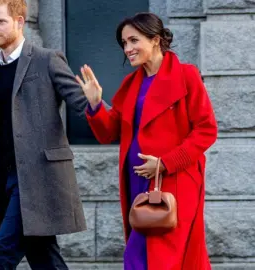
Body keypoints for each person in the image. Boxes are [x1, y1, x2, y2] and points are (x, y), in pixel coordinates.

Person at [75, 12, 217, 270]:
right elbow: (108, 132)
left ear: (155, 40)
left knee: (162, 260)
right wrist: (95, 104)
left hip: (175, 182)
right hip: (138, 183)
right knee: (139, 258)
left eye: (133, 40)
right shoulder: (131, 84)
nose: (127, 49)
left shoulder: (186, 75)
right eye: (124, 43)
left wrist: (165, 163)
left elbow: (207, 129)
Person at [0, 0, 88, 269]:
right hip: (4, 180)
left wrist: (98, 104)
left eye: (1, 22)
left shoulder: (46, 60)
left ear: (19, 22)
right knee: (44, 259)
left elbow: (81, 102)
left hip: (38, 179)